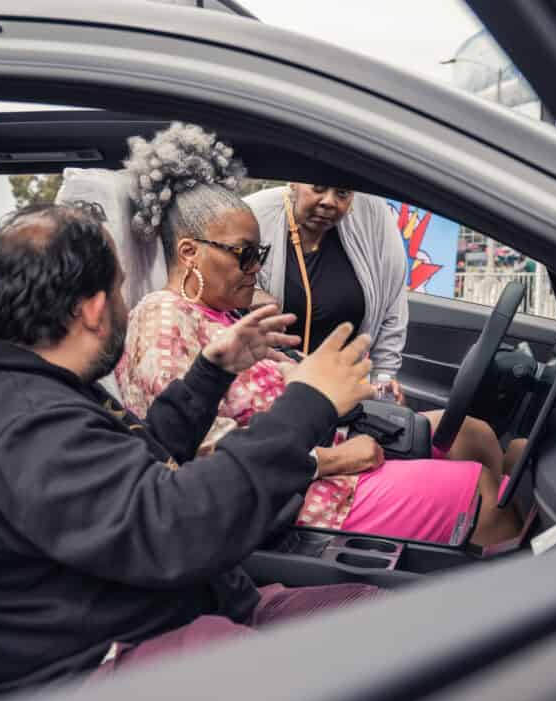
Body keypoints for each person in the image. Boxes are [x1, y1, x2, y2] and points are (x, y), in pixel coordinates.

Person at [0, 201, 387, 694]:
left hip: (163, 612)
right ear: (94, 309)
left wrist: (210, 374)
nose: (124, 300)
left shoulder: (23, 383)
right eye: (118, 286)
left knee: (379, 621)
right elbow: (176, 526)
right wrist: (306, 404)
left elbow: (133, 470)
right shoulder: (16, 422)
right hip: (103, 667)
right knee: (379, 672)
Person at [116, 123, 523, 546]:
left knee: (476, 437)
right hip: (301, 493)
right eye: (245, 255)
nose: (256, 268)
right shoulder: (161, 318)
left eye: (261, 254)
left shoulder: (219, 316)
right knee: (481, 494)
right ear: (189, 253)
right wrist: (330, 460)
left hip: (327, 446)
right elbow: (191, 457)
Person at [247, 182, 517, 478]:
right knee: (474, 461)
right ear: (293, 181)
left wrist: (384, 385)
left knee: (479, 436)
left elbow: (391, 312)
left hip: (352, 400)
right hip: (292, 404)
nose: (329, 202)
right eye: (318, 188)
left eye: (343, 193)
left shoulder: (372, 215)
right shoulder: (253, 218)